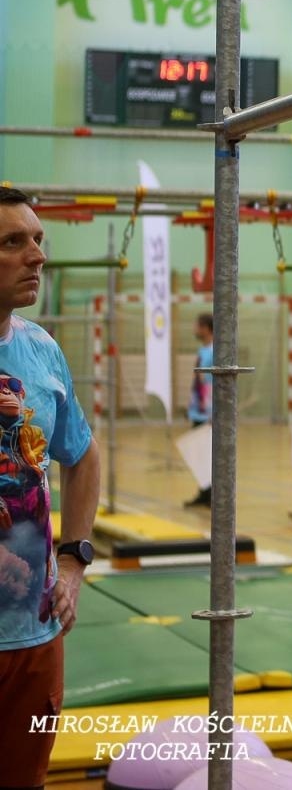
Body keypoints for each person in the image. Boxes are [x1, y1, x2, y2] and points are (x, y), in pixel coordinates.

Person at [0, 187, 101, 789]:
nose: (36, 256)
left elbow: (83, 456)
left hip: (33, 636)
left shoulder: (41, 351)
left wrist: (74, 563)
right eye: (13, 242)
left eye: (38, 240)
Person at [184, 313, 213, 508]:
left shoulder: (213, 351)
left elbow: (213, 383)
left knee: (208, 453)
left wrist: (213, 410)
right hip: (198, 409)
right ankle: (204, 491)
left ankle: (212, 493)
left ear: (205, 327)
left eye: (197, 325)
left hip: (208, 411)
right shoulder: (203, 350)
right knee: (199, 453)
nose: (194, 329)